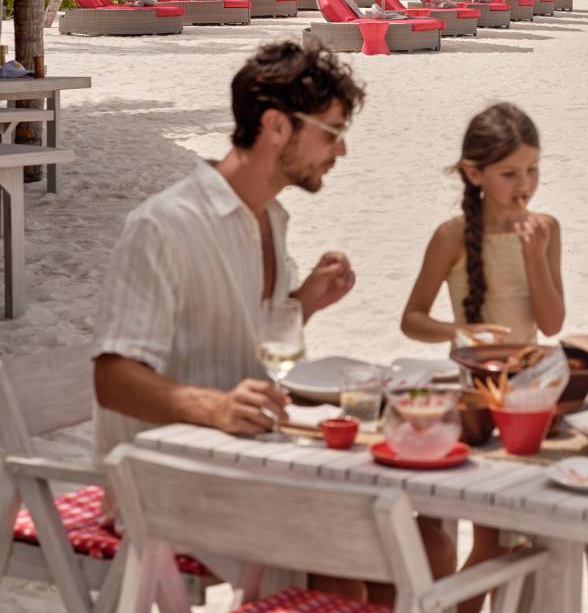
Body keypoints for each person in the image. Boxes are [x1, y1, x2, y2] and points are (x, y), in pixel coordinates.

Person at [91, 40, 454, 591]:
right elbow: (112, 379)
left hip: (251, 458)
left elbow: (245, 343)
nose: (341, 151)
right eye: (331, 133)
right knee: (361, 546)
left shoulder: (269, 220)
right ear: (277, 127)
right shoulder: (163, 227)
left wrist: (302, 304)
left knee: (424, 539)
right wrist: (215, 407)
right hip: (170, 484)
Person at [401, 102, 565, 613]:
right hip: (472, 400)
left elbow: (553, 323)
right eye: (510, 173)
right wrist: (462, 330)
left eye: (533, 170)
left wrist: (536, 258)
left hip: (527, 398)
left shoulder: (546, 229)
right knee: (476, 537)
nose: (526, 184)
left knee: (502, 540)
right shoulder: (452, 237)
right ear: (475, 174)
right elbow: (412, 318)